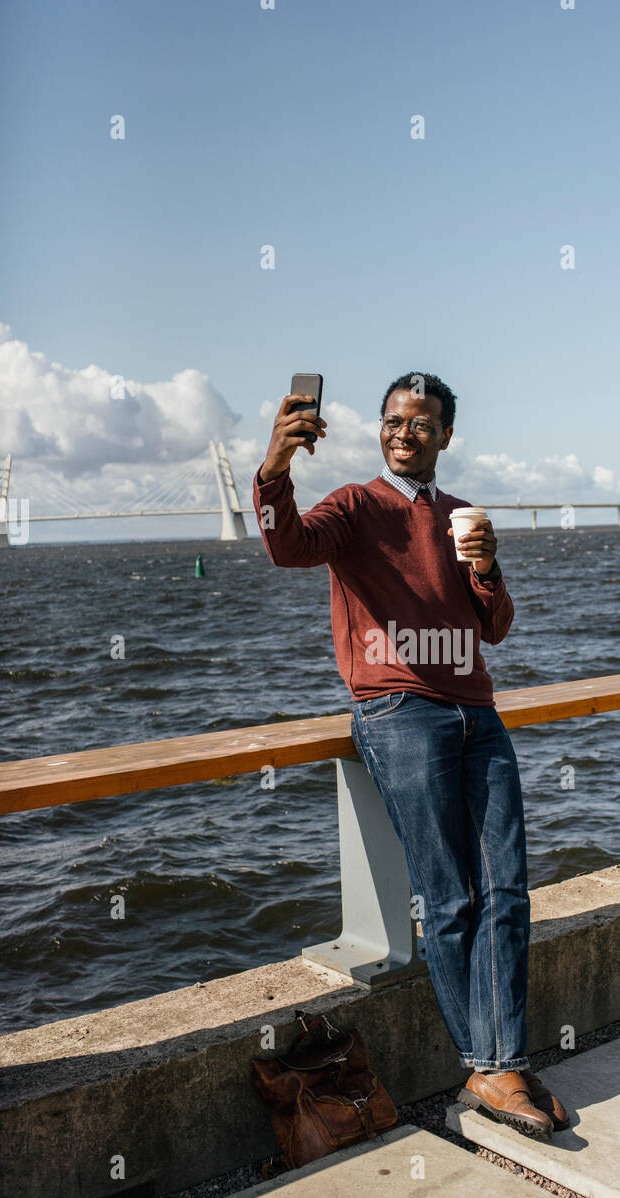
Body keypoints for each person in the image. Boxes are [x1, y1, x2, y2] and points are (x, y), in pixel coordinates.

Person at [253, 371, 568, 1139]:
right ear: (381, 429)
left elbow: (492, 628)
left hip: (476, 714)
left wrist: (486, 568)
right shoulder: (358, 505)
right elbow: (287, 547)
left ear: (445, 436)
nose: (404, 433)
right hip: (397, 711)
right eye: (393, 421)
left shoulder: (462, 516)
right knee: (452, 897)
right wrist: (274, 466)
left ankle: (496, 1065)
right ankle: (493, 1067)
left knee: (508, 893)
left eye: (421, 424)